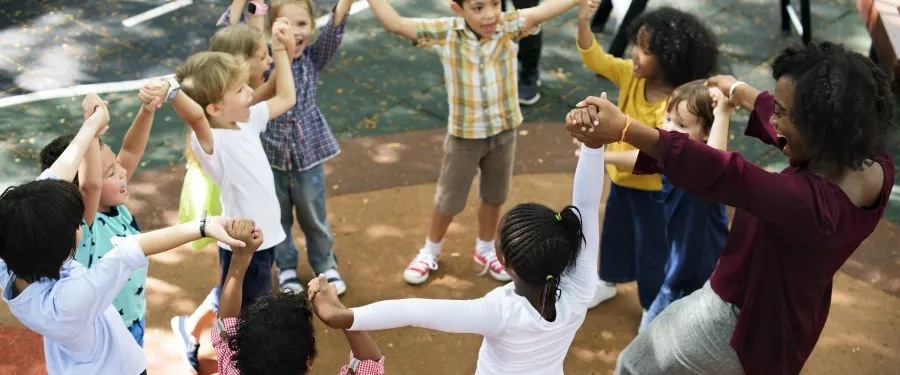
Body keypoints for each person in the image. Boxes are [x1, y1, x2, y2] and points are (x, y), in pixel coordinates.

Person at [565, 41, 895, 375]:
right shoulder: (872, 163)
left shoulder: (803, 202)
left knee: (634, 365)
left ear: (821, 128)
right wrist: (737, 90)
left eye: (782, 113)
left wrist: (625, 129)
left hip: (735, 320)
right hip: (791, 322)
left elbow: (723, 173)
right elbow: (781, 126)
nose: (774, 122)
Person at [310, 140, 605, 374]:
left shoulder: (500, 312)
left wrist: (344, 316)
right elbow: (587, 207)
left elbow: (416, 311)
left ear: (506, 265)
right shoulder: (581, 288)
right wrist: (594, 146)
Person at [0, 99, 250, 374]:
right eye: (75, 224)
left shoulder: (16, 250)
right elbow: (128, 245)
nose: (79, 225)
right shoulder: (70, 301)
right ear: (62, 247)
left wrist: (93, 125)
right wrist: (203, 226)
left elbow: (49, 183)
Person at [364, 0, 587, 285]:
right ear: (459, 9)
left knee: (494, 196)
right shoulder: (447, 32)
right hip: (465, 136)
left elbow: (545, 10)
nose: (490, 14)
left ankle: (484, 249)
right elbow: (395, 24)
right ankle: (430, 249)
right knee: (448, 199)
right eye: (478, 7)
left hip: (503, 131)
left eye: (495, 3)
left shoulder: (508, 25)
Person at [164, 22, 298, 373]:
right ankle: (240, 359)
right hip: (243, 242)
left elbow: (286, 97)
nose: (250, 93)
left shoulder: (247, 121)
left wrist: (281, 52)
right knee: (246, 303)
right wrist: (172, 91)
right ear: (215, 109)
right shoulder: (210, 143)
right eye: (239, 90)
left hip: (260, 236)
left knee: (239, 293)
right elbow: (193, 114)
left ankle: (188, 327)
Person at [576, 4, 718, 314]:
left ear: (670, 59)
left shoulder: (677, 106)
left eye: (645, 50)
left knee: (653, 250)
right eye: (636, 45)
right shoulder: (631, 75)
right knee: (615, 234)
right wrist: (583, 23)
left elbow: (653, 154)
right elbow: (595, 58)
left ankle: (652, 305)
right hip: (623, 183)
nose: (634, 55)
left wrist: (604, 158)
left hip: (655, 193)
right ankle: (608, 280)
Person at [39, 89, 164, 347]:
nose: (122, 172)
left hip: (132, 318)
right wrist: (92, 129)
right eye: (110, 172)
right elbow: (90, 186)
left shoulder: (113, 202)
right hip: (106, 334)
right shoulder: (87, 225)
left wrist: (147, 110)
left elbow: (130, 150)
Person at [605, 80, 734, 330]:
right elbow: (641, 157)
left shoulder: (705, 171)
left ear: (707, 132)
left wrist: (722, 114)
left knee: (650, 344)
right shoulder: (673, 158)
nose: (670, 129)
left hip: (701, 281)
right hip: (678, 272)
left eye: (682, 125)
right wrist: (601, 154)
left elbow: (716, 162)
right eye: (668, 119)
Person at [261, 0, 354, 296]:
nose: (294, 32)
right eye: (285, 24)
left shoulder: (312, 60)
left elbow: (335, 30)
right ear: (271, 30)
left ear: (312, 28)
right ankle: (286, 266)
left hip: (308, 159)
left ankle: (324, 264)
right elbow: (239, 39)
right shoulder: (264, 64)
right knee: (278, 218)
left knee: (314, 216)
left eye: (302, 24)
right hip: (270, 159)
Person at [213, 222, 386, 374]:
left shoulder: (232, 368)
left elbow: (225, 323)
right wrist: (338, 313)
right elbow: (369, 364)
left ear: (238, 349)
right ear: (308, 360)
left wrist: (240, 257)